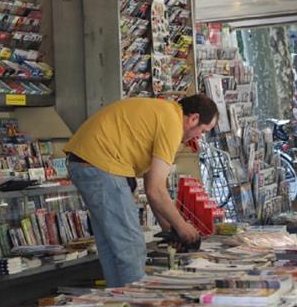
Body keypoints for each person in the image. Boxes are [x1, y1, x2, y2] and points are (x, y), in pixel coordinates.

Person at [63, 95, 219, 287]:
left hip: (85, 162)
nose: (198, 137)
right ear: (193, 118)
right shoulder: (172, 123)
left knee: (113, 247)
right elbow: (156, 190)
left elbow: (150, 185)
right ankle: (137, 305)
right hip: (103, 165)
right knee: (131, 247)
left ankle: (120, 305)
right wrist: (183, 227)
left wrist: (168, 227)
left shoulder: (163, 113)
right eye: (202, 131)